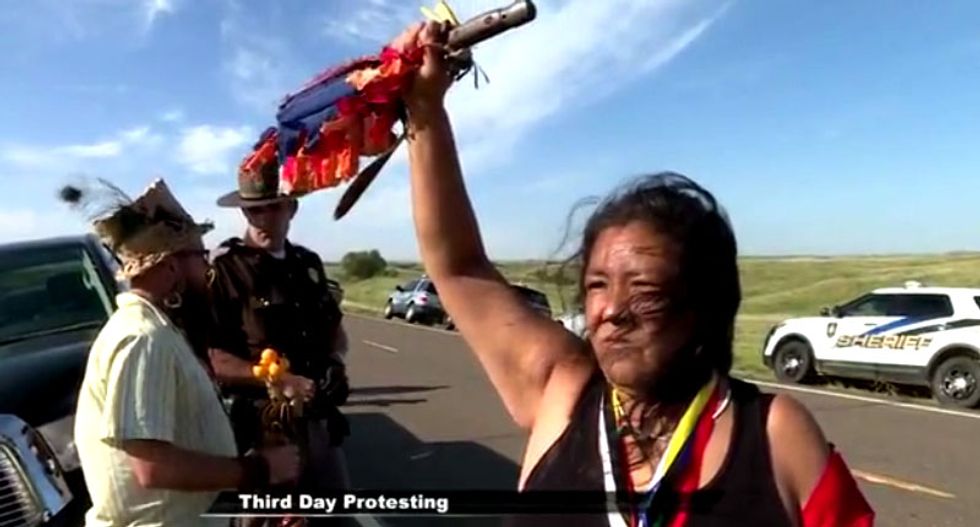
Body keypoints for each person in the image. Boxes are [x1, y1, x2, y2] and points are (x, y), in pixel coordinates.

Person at [394, 22, 875, 526]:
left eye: (642, 288)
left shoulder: (775, 434)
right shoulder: (561, 393)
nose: (611, 311)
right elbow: (460, 267)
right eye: (597, 284)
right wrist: (424, 109)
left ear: (702, 304)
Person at [67, 179, 300, 527]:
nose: (208, 270)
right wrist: (259, 469)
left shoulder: (160, 331)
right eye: (201, 257)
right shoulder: (142, 338)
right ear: (172, 266)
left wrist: (242, 516)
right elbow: (153, 468)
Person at [207, 155, 352, 524]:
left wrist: (335, 362)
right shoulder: (225, 269)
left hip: (317, 419)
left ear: (291, 207)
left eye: (273, 207)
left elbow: (334, 330)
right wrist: (275, 378)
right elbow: (211, 357)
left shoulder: (308, 264)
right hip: (264, 427)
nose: (263, 218)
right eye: (253, 211)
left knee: (337, 516)